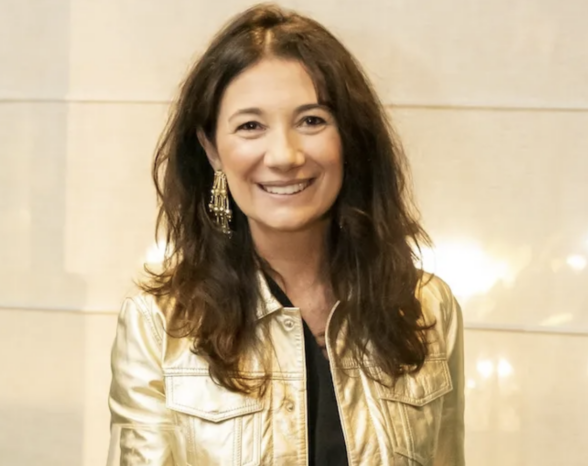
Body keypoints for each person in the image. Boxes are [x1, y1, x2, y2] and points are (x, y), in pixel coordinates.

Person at [108, 4, 464, 465]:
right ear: (212, 149)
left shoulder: (426, 308)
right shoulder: (159, 323)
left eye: (311, 120)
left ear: (349, 137)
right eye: (250, 126)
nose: (284, 155)